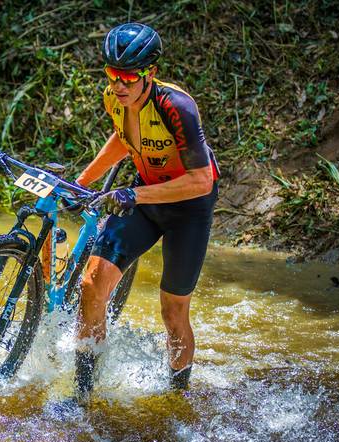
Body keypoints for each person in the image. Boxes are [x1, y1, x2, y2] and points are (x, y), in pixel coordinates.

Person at [73, 22, 220, 401]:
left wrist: (135, 194)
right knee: (91, 286)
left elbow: (202, 180)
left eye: (128, 77)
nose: (118, 85)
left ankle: (177, 397)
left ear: (150, 73)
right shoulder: (114, 98)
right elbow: (125, 140)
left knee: (173, 313)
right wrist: (83, 181)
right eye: (112, 74)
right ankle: (82, 396)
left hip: (188, 208)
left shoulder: (177, 107)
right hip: (143, 197)